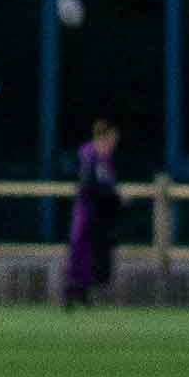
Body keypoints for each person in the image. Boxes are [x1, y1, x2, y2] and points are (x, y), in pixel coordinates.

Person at [59, 121, 124, 311]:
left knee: (91, 253)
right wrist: (114, 195)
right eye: (112, 139)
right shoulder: (91, 157)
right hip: (87, 211)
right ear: (103, 138)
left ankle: (83, 292)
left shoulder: (105, 160)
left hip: (98, 212)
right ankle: (71, 292)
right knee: (79, 249)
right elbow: (89, 186)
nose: (114, 145)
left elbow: (106, 185)